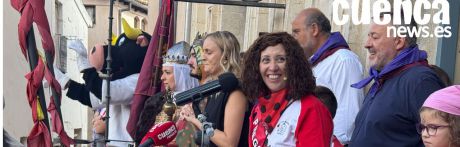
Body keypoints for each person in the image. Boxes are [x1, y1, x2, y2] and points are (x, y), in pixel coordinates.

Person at [349, 11, 445, 146]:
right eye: (368, 36)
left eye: (375, 37)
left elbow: (440, 140)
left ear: (399, 41)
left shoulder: (420, 81)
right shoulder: (383, 79)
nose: (367, 44)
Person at [53, 19, 150, 146]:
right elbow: (91, 97)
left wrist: (85, 66)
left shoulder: (138, 80)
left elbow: (105, 92)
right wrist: (65, 81)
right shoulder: (121, 79)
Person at [242, 32, 333, 147]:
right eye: (266, 60)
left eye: (280, 59)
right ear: (257, 66)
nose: (273, 67)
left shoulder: (310, 107)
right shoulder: (258, 108)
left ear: (293, 64)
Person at [291, 8, 364, 145]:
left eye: (296, 32)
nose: (293, 38)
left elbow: (348, 119)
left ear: (314, 29)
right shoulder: (313, 62)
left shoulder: (343, 60)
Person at [181, 31, 250, 147]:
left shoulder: (235, 92)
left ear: (226, 56)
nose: (202, 57)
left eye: (208, 52)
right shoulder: (215, 89)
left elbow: (229, 143)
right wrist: (192, 116)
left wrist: (196, 120)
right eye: (203, 52)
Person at [135, 41, 199, 146]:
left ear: (182, 74)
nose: (162, 77)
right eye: (163, 72)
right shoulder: (155, 103)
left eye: (168, 72)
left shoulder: (198, 105)